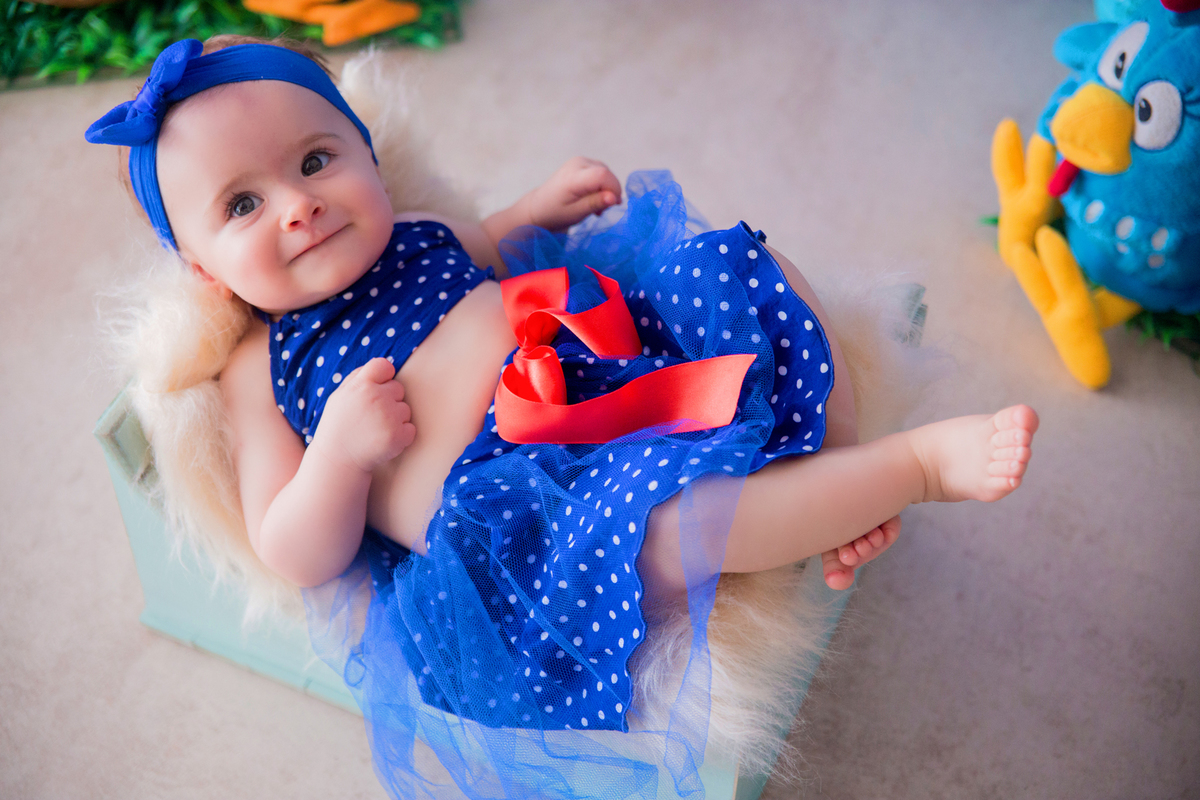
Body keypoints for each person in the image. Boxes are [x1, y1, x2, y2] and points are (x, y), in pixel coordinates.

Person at [88, 36, 1037, 800]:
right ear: (204, 270)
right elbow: (290, 550)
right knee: (667, 530)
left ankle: (831, 461)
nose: (298, 207)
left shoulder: (413, 236)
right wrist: (338, 454)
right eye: (243, 204)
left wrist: (535, 209)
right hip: (515, 512)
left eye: (315, 160)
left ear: (367, 156)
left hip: (596, 363)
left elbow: (491, 241)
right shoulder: (258, 367)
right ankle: (915, 468)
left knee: (740, 270)